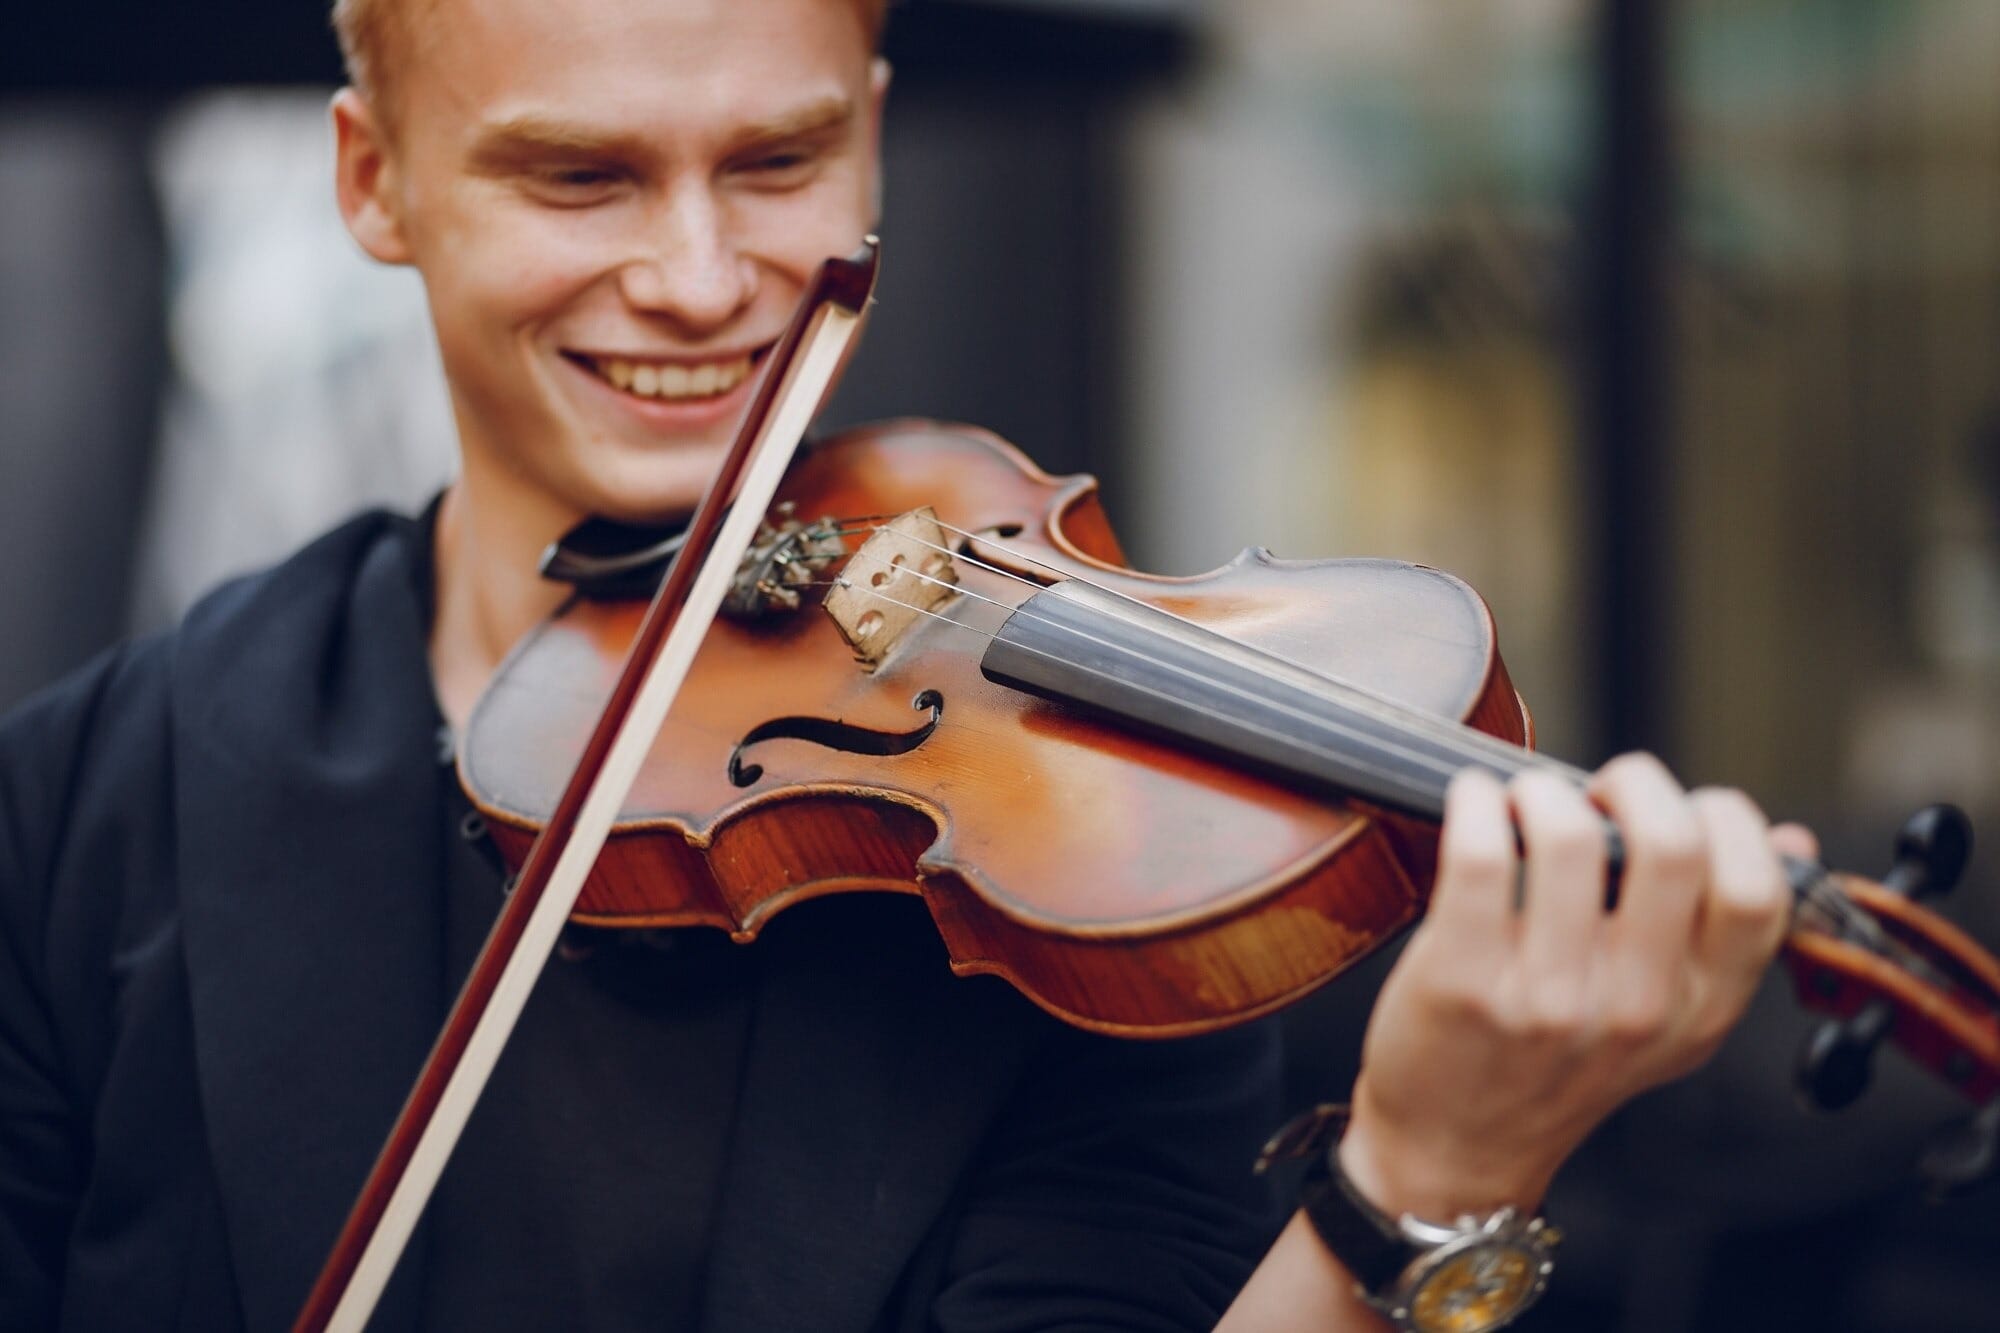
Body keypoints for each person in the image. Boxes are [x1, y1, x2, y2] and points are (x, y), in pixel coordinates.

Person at [0, 0, 1814, 1328]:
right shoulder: (84, 804)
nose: (704, 279)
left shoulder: (1095, 867)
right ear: (375, 178)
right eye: (580, 178)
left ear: (870, 132)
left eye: (779, 161)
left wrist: (1422, 1176)